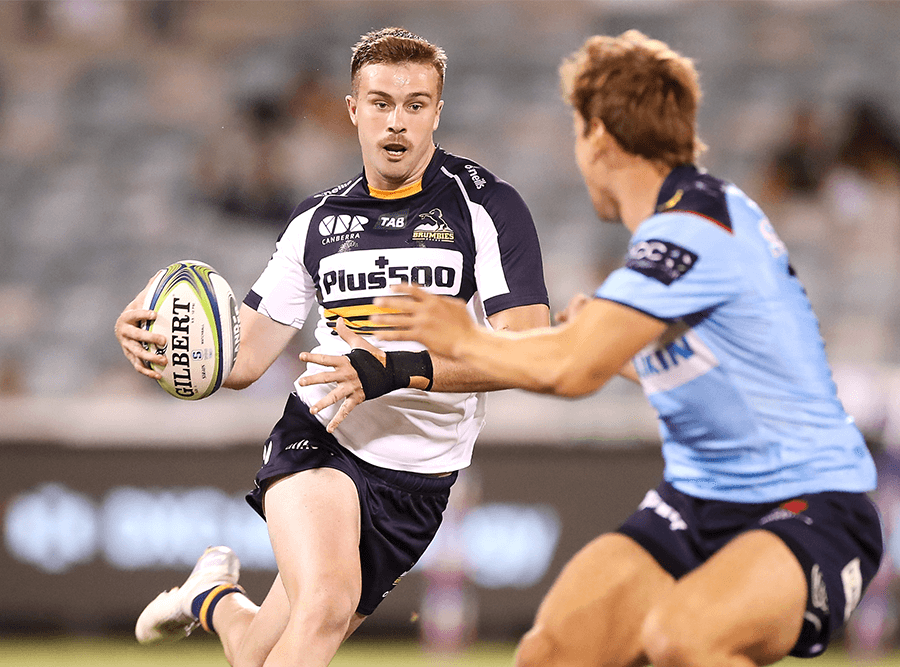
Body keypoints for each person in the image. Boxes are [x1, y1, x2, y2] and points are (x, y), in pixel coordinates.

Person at [370, 30, 883, 667]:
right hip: (699, 504)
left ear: (600, 138)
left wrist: (467, 336)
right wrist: (615, 353)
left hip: (814, 505)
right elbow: (711, 366)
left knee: (686, 640)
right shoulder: (700, 218)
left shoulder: (691, 230)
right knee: (552, 653)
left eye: (578, 133)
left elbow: (571, 371)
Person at [113, 27, 549, 667]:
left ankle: (211, 600)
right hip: (324, 433)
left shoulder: (488, 208)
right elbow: (243, 361)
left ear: (437, 111)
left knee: (256, 652)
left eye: (415, 104)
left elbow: (528, 349)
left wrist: (391, 369)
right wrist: (158, 342)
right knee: (322, 609)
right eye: (379, 103)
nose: (396, 122)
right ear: (352, 110)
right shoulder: (315, 221)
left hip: (420, 479)